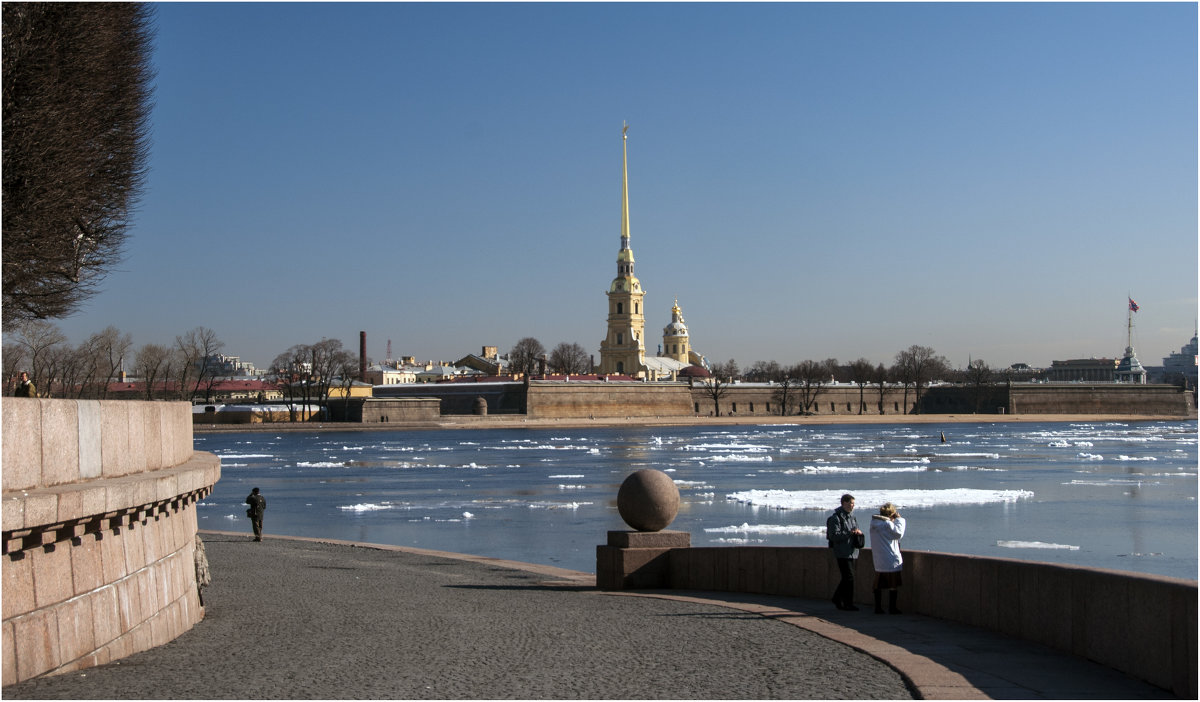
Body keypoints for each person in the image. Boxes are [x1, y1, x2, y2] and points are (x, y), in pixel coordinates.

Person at [826, 493, 863, 611]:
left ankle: (838, 598)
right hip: (842, 552)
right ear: (843, 503)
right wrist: (849, 533)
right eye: (850, 503)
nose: (852, 506)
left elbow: (854, 529)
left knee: (847, 577)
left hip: (852, 551)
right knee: (849, 577)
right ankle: (847, 602)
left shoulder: (852, 517)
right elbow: (833, 536)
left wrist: (857, 532)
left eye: (853, 503)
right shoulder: (835, 518)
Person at [870, 502, 907, 614]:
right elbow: (898, 533)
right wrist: (899, 520)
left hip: (878, 559)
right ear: (891, 514)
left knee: (878, 583)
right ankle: (892, 608)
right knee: (893, 584)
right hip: (890, 558)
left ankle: (877, 607)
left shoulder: (874, 524)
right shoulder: (887, 525)